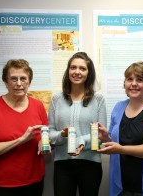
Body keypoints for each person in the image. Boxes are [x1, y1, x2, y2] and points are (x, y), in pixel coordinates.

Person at [0, 59, 48, 196]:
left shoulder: (38, 106)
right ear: (6, 82)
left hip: (33, 183)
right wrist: (21, 140)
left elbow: (45, 136)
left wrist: (44, 144)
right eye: (14, 79)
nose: (19, 84)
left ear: (29, 82)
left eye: (23, 79)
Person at [97, 62, 143, 196]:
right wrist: (106, 138)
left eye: (140, 80)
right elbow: (116, 141)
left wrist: (121, 149)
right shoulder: (118, 107)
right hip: (122, 185)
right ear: (125, 83)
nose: (134, 83)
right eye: (129, 79)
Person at [48, 52, 107, 196]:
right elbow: (49, 133)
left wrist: (80, 141)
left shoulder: (98, 99)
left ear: (89, 73)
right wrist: (62, 135)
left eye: (82, 68)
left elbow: (100, 135)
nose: (77, 72)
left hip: (90, 164)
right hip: (63, 164)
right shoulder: (56, 99)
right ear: (68, 71)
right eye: (73, 67)